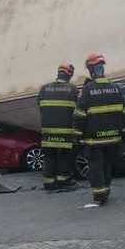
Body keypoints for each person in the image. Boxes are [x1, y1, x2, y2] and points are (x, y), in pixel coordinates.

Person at [75, 53, 125, 206]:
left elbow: (79, 115)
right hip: (113, 138)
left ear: (91, 70)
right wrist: (123, 132)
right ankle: (106, 189)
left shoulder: (87, 90)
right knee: (107, 165)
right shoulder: (115, 88)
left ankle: (99, 195)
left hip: (94, 139)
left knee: (96, 166)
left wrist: (77, 135)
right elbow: (123, 112)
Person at [38, 63, 79, 192]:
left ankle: (49, 183)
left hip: (47, 131)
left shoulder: (44, 89)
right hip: (65, 131)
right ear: (70, 74)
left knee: (49, 156)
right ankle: (63, 180)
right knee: (64, 156)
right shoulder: (73, 89)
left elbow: (40, 106)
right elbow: (78, 110)